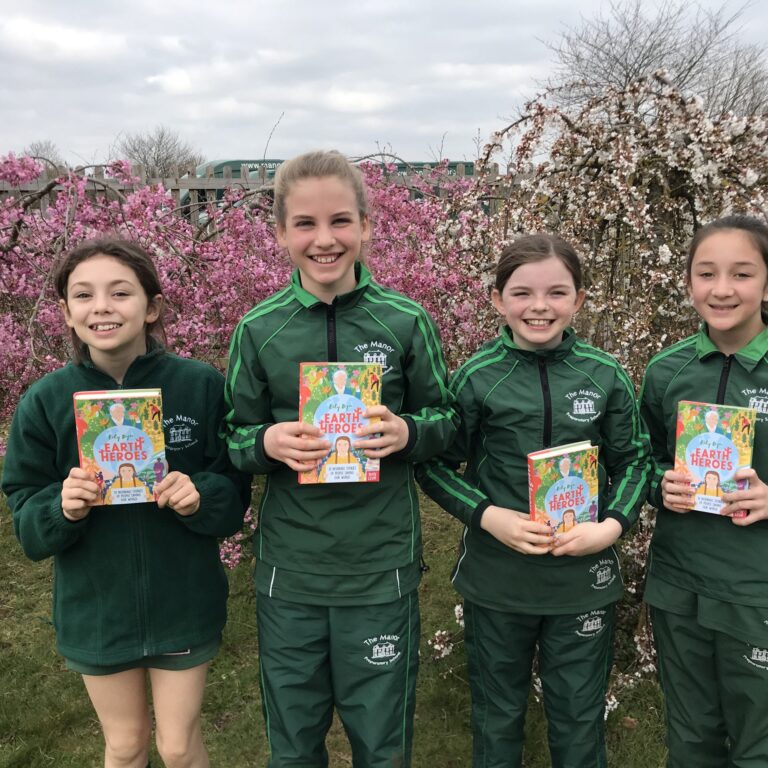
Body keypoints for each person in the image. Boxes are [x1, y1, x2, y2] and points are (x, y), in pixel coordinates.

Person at [223, 149, 456, 768]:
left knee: (382, 745)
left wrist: (407, 431)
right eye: (305, 224)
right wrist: (268, 443)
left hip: (382, 566)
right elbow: (234, 437)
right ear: (280, 233)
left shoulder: (405, 320)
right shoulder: (258, 329)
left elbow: (448, 422)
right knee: (294, 747)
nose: (324, 240)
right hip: (290, 573)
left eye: (340, 221)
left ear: (366, 225)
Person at [2, 237, 251, 768]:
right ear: (66, 312)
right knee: (125, 744)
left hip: (183, 599)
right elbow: (25, 517)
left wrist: (199, 496)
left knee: (179, 747)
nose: (103, 308)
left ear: (152, 306)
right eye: (85, 295)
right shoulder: (45, 402)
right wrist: (59, 508)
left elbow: (233, 495)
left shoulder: (200, 385)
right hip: (97, 608)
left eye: (120, 292)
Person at [417, 234, 650, 768]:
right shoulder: (476, 377)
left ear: (580, 299)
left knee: (578, 716)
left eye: (556, 293)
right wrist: (488, 516)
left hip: (581, 580)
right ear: (497, 299)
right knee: (497, 717)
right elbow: (434, 464)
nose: (539, 306)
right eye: (522, 293)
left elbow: (634, 461)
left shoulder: (605, 374)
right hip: (498, 578)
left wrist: (611, 527)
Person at [639, 215, 768, 768]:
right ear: (688, 282)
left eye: (741, 273)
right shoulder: (667, 372)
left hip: (756, 589)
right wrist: (658, 484)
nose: (722, 289)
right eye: (706, 273)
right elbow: (637, 463)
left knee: (758, 743)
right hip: (679, 584)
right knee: (691, 740)